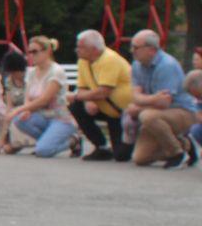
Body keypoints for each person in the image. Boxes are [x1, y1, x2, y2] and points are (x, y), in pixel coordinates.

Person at [125, 29, 199, 169]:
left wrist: (141, 103)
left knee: (146, 116)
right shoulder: (137, 65)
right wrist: (151, 99)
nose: (132, 51)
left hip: (182, 112)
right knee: (140, 158)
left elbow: (164, 103)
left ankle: (175, 153)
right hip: (157, 113)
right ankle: (184, 144)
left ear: (152, 50)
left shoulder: (167, 65)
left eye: (136, 47)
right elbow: (135, 96)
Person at [1, 36, 75, 157]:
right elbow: (28, 96)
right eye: (29, 52)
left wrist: (19, 109)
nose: (31, 55)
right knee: (19, 119)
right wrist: (26, 109)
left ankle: (72, 141)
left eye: (35, 51)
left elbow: (44, 100)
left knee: (42, 151)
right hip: (41, 116)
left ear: (47, 51)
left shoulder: (56, 71)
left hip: (59, 118)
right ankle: (47, 141)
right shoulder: (31, 72)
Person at [68, 29, 133, 162]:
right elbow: (82, 88)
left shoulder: (109, 59)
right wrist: (87, 101)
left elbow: (104, 92)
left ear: (94, 49)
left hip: (122, 112)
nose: (77, 50)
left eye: (81, 47)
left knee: (121, 156)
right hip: (105, 108)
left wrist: (80, 97)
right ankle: (101, 146)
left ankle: (134, 141)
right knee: (77, 107)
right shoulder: (83, 61)